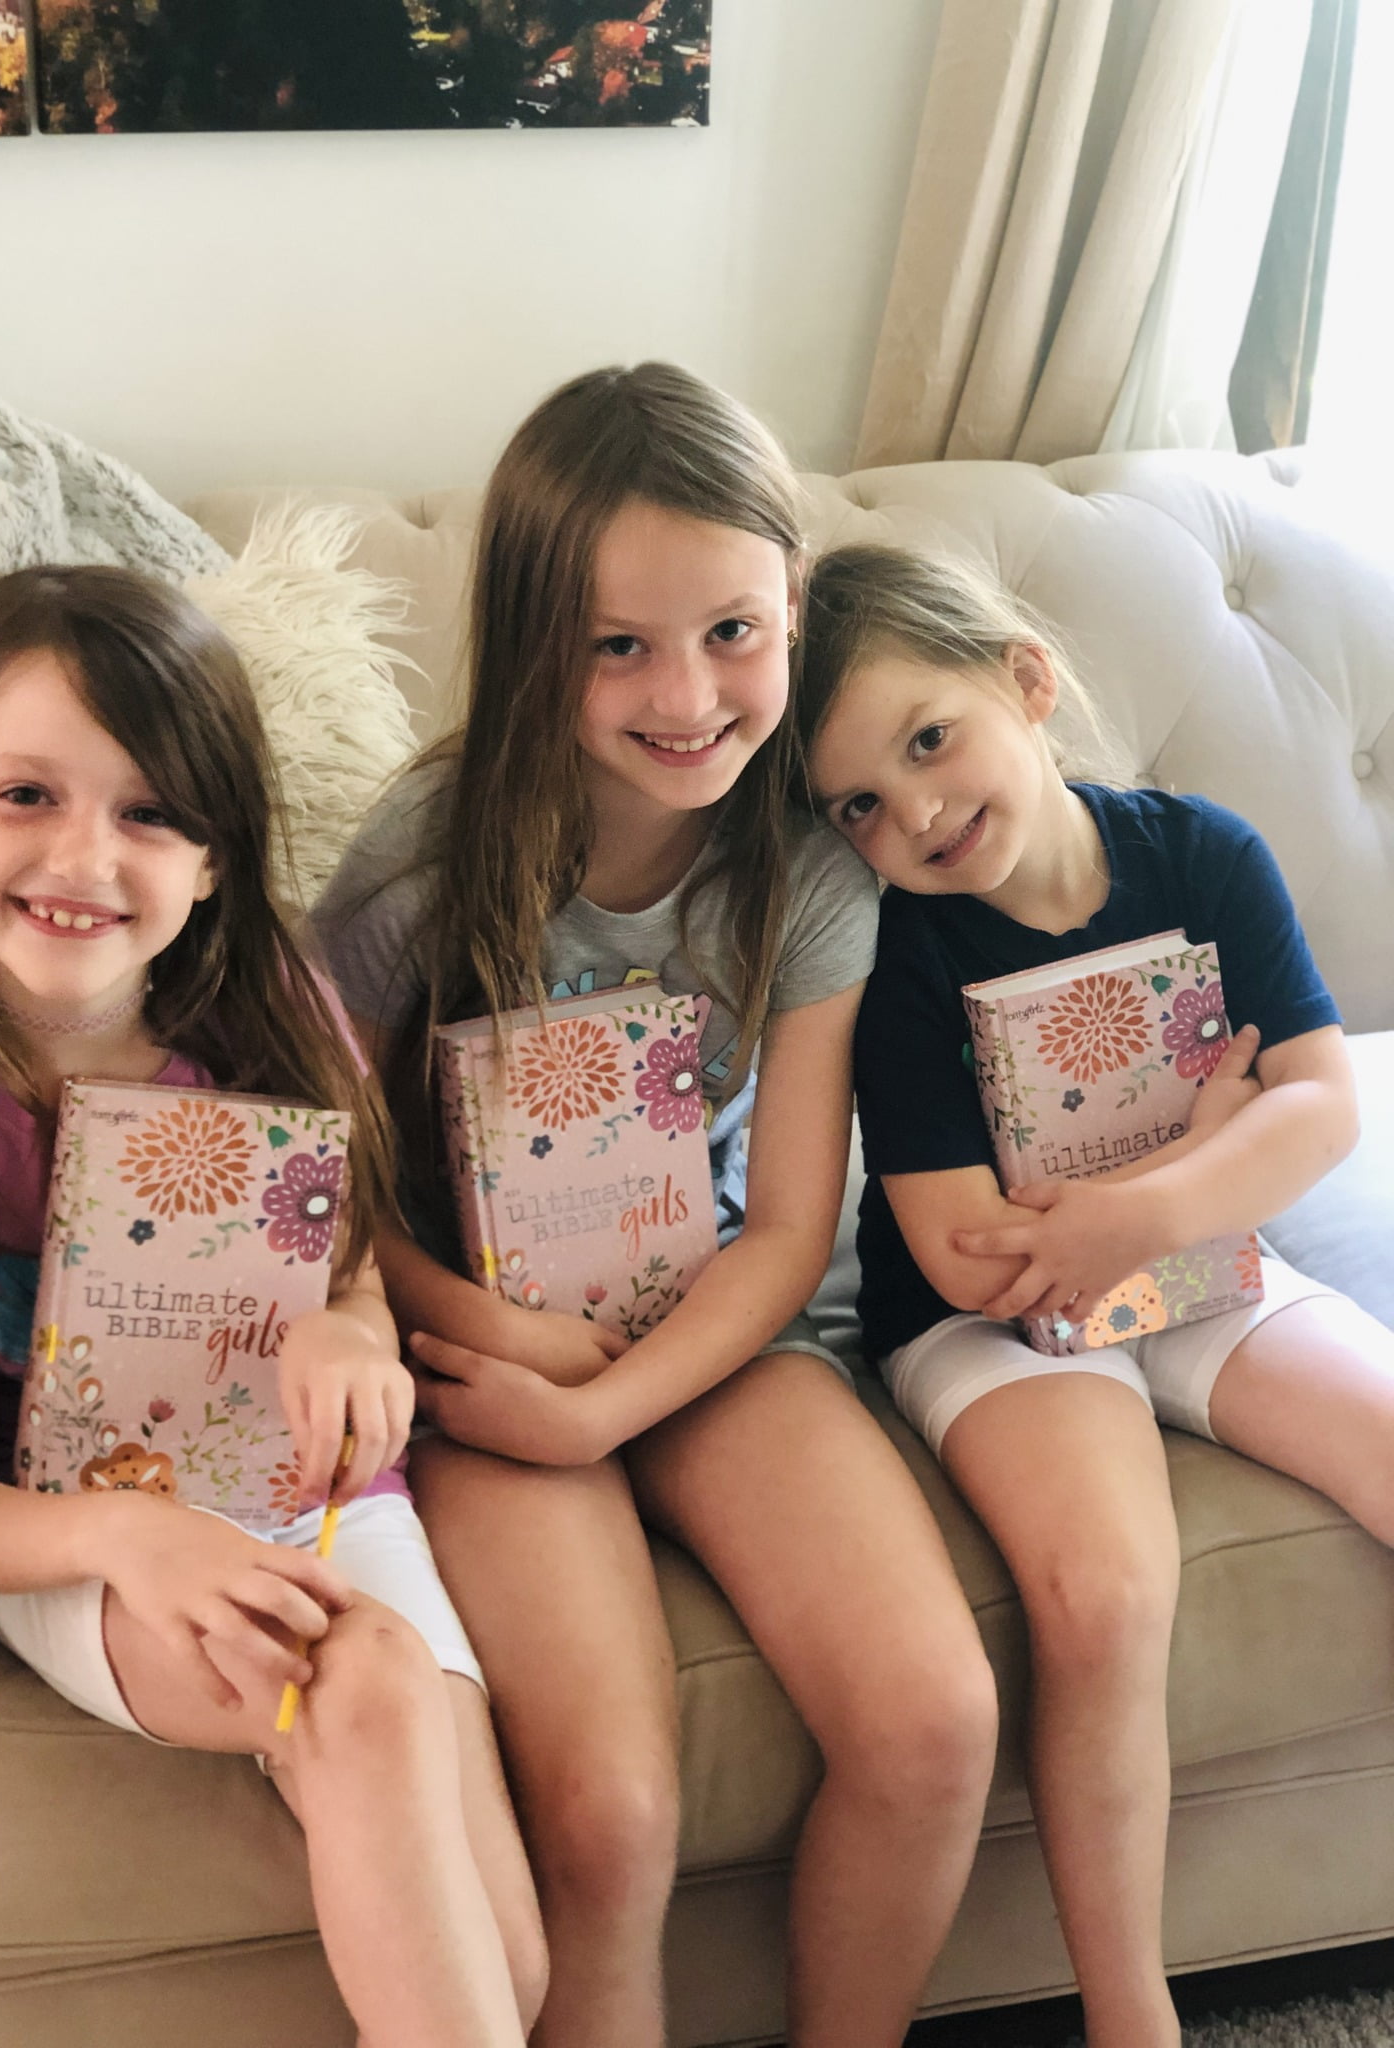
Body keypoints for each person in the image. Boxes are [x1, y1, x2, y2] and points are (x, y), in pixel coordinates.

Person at [314, 363, 999, 2048]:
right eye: (619, 643)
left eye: (734, 632)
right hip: (479, 1351)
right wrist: (503, 1348)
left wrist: (608, 1399)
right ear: (534, 636)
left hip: (718, 1339)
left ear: (791, 610)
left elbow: (783, 1233)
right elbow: (326, 1193)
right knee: (613, 1817)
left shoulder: (812, 866)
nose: (687, 694)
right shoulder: (420, 863)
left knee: (932, 1722)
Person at [0, 566, 547, 2048]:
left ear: (217, 859)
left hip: (317, 1497)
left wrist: (354, 1336)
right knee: (363, 1681)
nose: (83, 856)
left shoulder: (278, 1012)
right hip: (81, 1528)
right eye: (27, 794)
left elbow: (354, 1275)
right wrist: (131, 1534)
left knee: (518, 1979)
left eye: (151, 812)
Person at [794, 541, 1394, 2048]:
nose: (914, 813)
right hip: (991, 1328)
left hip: (1192, 1265)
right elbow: (964, 1255)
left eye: (929, 741)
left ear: (1026, 681)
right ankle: (1136, 2019)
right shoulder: (896, 948)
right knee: (1109, 1593)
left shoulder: (1201, 854)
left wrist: (1156, 1201)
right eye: (858, 801)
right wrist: (1198, 1141)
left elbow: (1318, 1106)